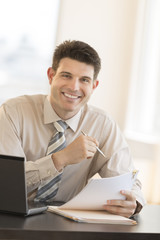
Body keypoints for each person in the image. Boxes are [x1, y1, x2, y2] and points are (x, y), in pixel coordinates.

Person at [0, 40, 145, 218]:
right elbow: (6, 183)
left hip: (68, 223)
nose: (74, 87)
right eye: (66, 76)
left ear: (94, 86)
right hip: (9, 218)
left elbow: (129, 181)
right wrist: (60, 159)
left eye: (84, 80)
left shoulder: (103, 124)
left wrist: (133, 202)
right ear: (51, 75)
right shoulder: (13, 112)